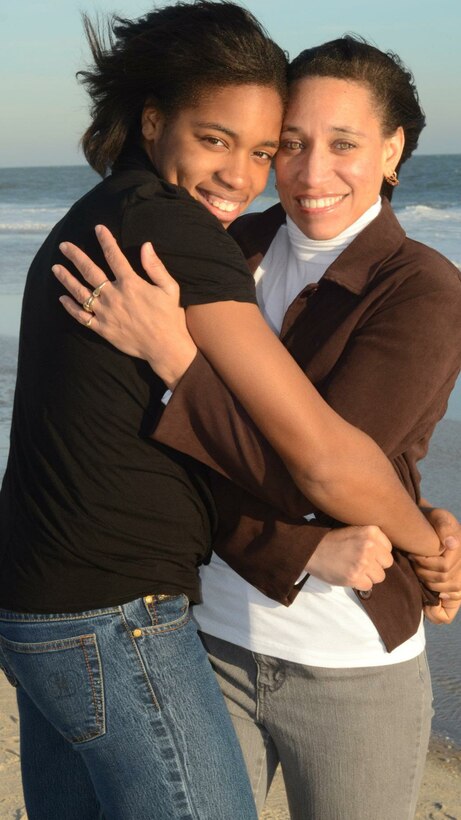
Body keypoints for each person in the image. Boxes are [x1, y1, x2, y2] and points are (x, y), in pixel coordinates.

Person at [54, 36, 461, 820]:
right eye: (291, 145)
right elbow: (158, 461)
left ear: (391, 149)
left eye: (343, 144)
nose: (311, 174)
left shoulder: (421, 290)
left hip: (347, 663)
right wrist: (400, 539)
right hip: (201, 640)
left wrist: (179, 360)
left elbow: (330, 477)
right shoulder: (219, 245)